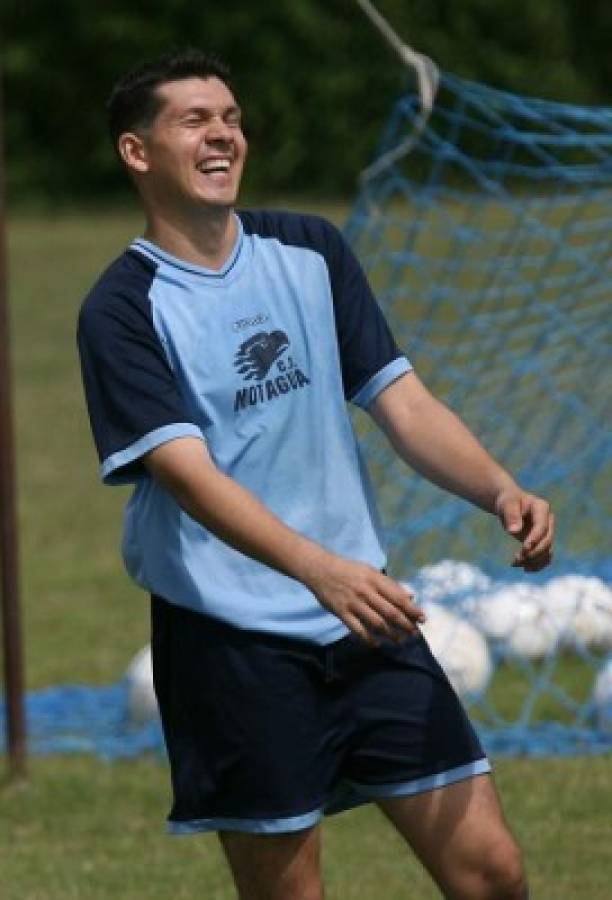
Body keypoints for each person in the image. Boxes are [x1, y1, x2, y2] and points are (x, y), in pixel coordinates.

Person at [77, 48, 553, 900]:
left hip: (366, 619)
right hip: (232, 642)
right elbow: (187, 475)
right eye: (195, 120)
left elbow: (402, 404)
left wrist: (499, 488)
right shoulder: (121, 309)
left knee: (493, 873)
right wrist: (319, 571)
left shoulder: (309, 249)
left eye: (231, 118)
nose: (223, 134)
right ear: (137, 152)